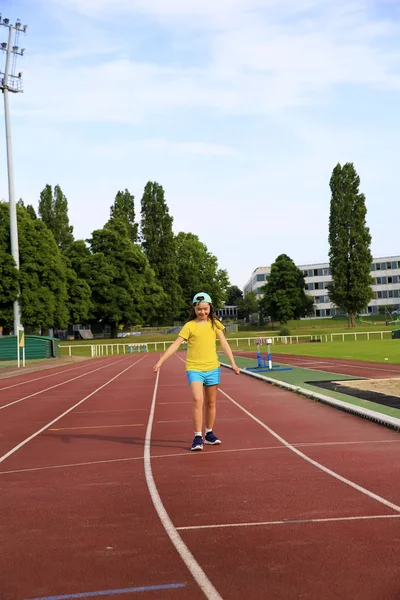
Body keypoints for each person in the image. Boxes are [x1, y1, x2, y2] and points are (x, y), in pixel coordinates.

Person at [153, 292, 240, 451]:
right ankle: (197, 436)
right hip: (194, 368)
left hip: (213, 368)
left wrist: (233, 364)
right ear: (194, 308)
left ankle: (209, 433)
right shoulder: (189, 326)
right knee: (197, 399)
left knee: (211, 402)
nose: (202, 312)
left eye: (205, 309)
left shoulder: (215, 324)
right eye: (199, 309)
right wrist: (160, 361)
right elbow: (176, 344)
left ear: (210, 308)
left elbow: (224, 344)